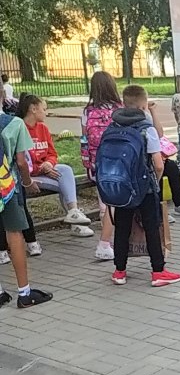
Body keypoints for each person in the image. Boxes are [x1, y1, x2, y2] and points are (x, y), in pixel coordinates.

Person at [108, 85, 180, 288]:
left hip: (122, 186)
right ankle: (158, 271)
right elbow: (158, 164)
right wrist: (155, 183)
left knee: (122, 228)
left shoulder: (113, 125)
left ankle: (119, 271)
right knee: (151, 227)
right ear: (143, 106)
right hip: (145, 187)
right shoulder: (146, 128)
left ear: (124, 103)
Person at [0, 98, 52, 308]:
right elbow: (21, 162)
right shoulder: (14, 123)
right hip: (7, 186)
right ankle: (24, 292)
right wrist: (28, 182)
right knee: (15, 234)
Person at [18, 94, 94, 238]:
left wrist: (49, 163)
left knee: (66, 170)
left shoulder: (43, 128)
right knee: (66, 185)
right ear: (33, 109)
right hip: (29, 177)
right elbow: (22, 161)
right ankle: (76, 222)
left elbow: (52, 153)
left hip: (45, 171)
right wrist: (43, 169)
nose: (46, 113)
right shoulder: (20, 129)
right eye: (44, 109)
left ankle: (73, 213)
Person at [81, 70, 122, 261]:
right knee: (117, 201)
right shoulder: (120, 109)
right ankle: (108, 242)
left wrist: (87, 163)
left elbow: (84, 139)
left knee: (104, 202)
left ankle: (107, 241)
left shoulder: (87, 112)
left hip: (97, 163)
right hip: (119, 161)